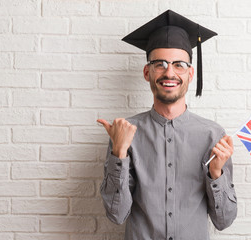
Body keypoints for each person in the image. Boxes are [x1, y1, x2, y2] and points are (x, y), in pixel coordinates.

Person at [98, 10, 237, 240]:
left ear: (191, 74)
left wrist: (216, 173)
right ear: (147, 72)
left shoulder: (213, 136)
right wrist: (119, 154)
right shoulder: (124, 134)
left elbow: (224, 221)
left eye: (179, 64)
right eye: (160, 64)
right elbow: (117, 215)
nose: (169, 72)